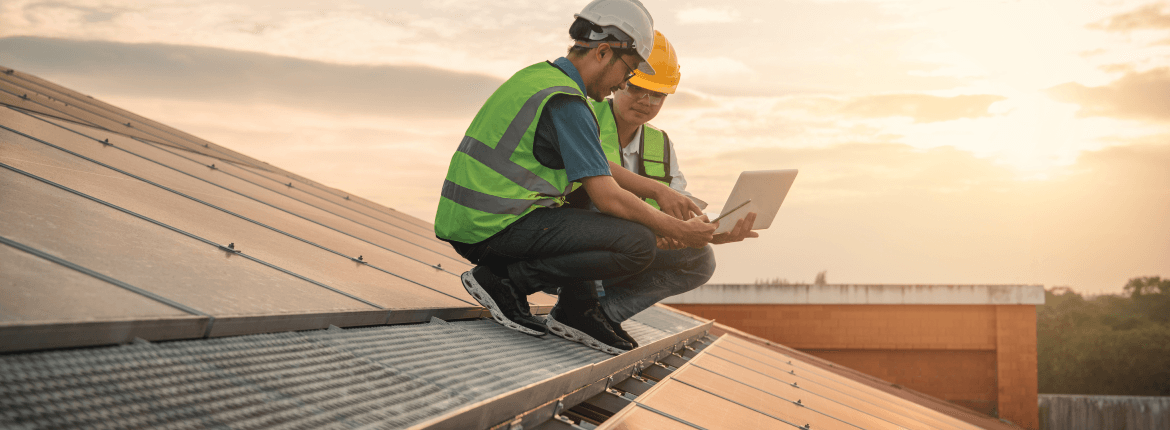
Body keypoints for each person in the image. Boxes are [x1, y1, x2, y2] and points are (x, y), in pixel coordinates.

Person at [434, 0, 717, 355]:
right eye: (628, 72)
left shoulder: (539, 79)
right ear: (602, 52)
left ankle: (576, 309)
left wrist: (656, 191)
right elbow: (607, 196)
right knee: (636, 243)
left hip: (474, 220)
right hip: (493, 228)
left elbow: (594, 167)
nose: (622, 85)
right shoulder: (567, 103)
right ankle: (506, 281)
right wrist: (675, 229)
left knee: (606, 215)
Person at [566, 31, 759, 348]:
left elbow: (679, 209)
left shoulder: (661, 143)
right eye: (635, 87)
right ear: (618, 82)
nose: (644, 100)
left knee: (701, 260)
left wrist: (710, 232)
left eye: (656, 94)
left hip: (630, 247)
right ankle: (577, 301)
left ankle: (600, 315)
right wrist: (660, 225)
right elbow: (601, 192)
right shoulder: (583, 115)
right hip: (573, 247)